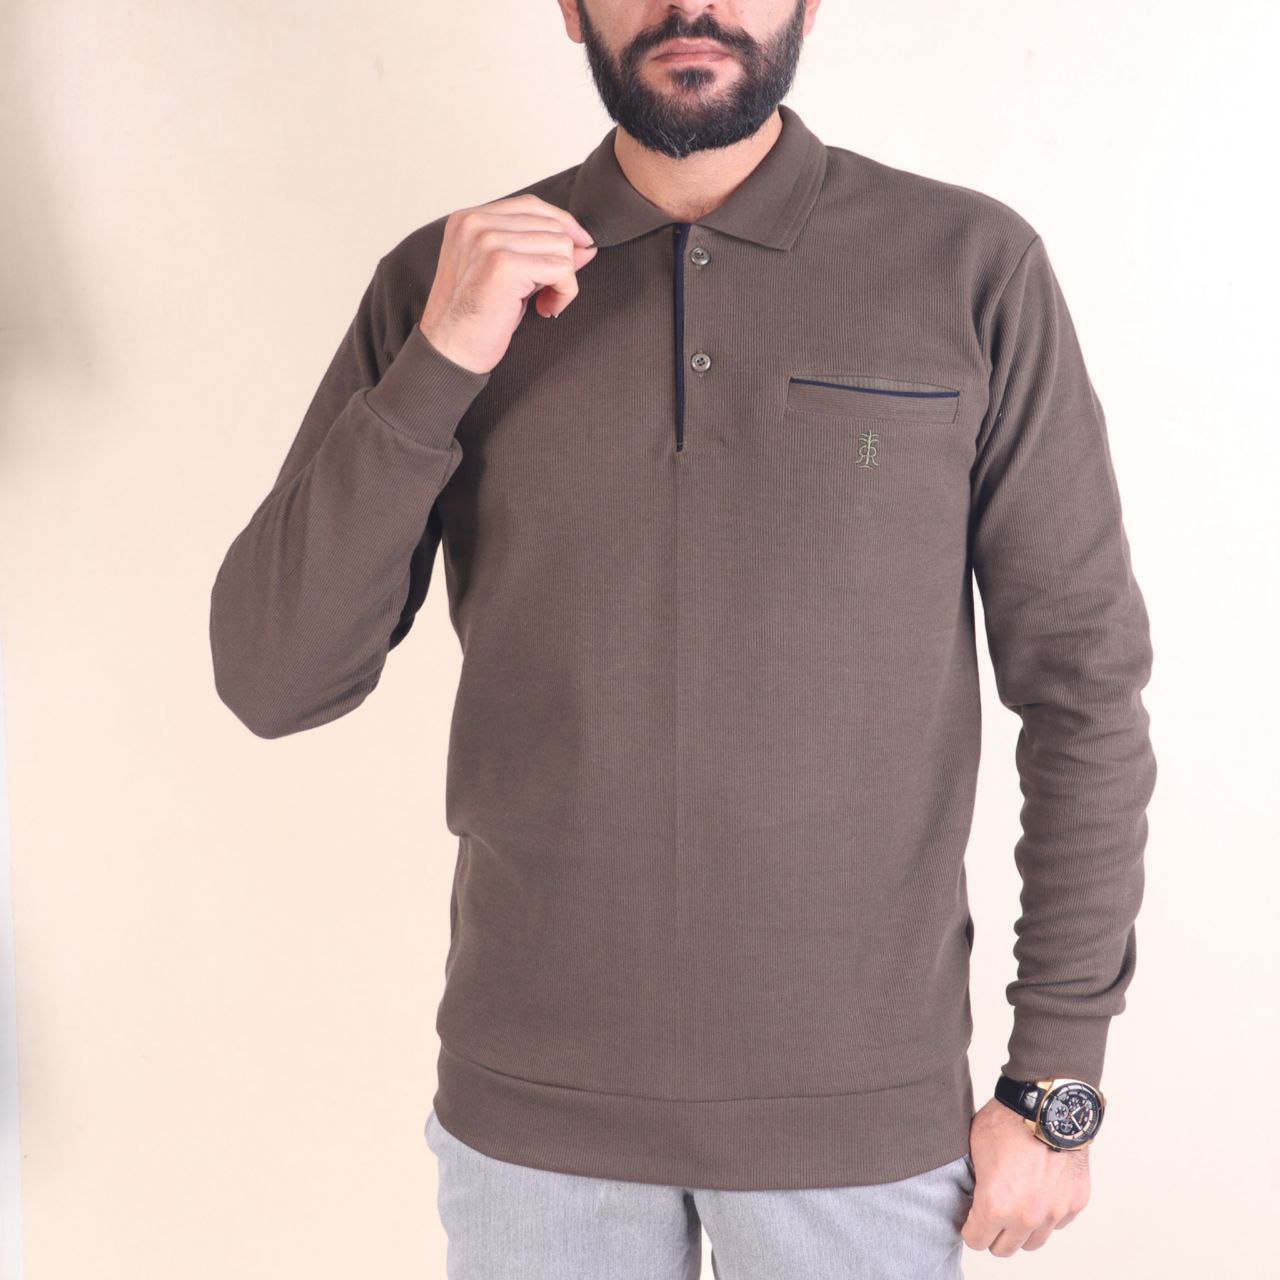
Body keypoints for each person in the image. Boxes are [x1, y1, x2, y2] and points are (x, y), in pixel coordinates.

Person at [208, 1, 1157, 1275]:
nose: (690, 2)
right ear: (569, 8)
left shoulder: (970, 264)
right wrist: (442, 357)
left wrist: (1054, 1080)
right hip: (529, 1133)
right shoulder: (444, 279)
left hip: (861, 1136)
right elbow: (272, 677)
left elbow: (1082, 688)